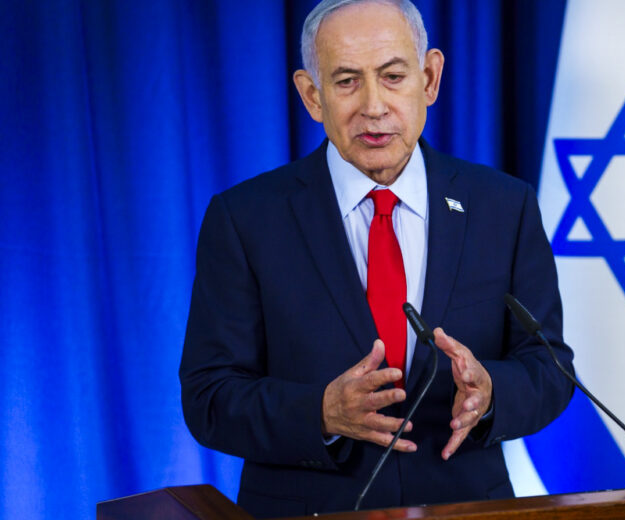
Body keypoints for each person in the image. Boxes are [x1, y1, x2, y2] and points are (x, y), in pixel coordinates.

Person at [179, 0, 574, 517]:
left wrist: (492, 391)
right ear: (311, 95)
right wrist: (320, 412)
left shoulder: (504, 206)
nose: (373, 105)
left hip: (468, 507)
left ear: (429, 78)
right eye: (346, 81)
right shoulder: (245, 219)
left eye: (392, 76)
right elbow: (210, 397)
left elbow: (549, 368)